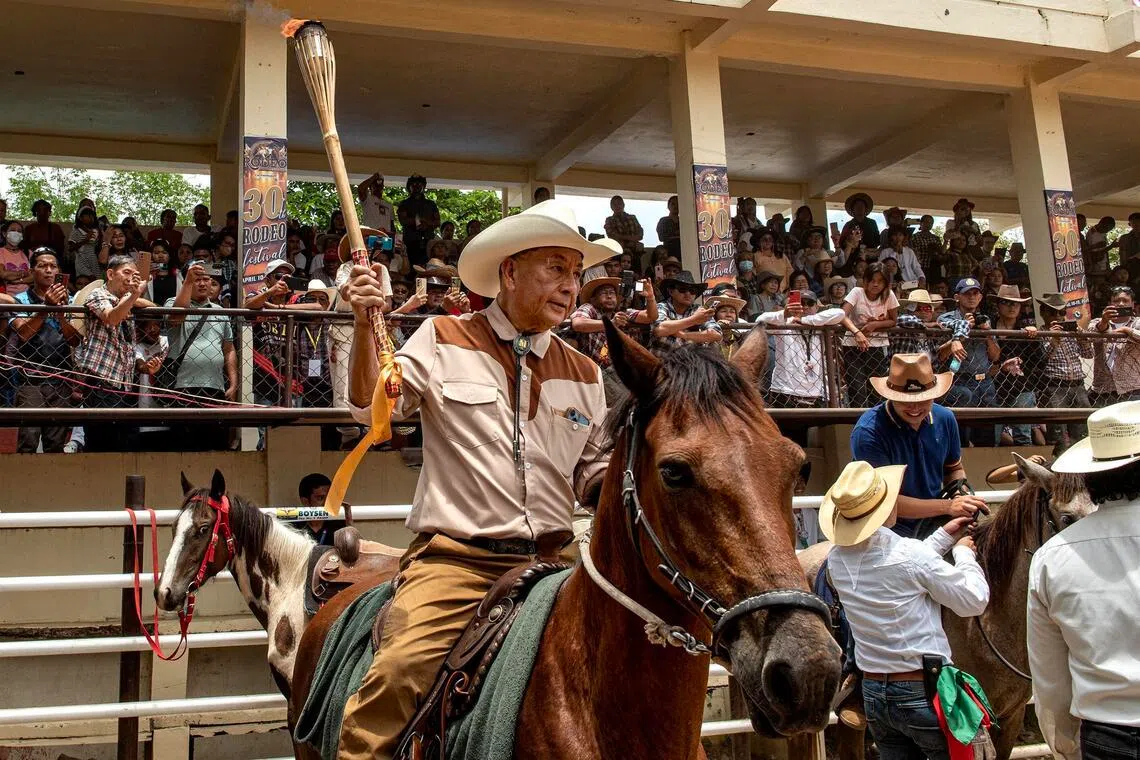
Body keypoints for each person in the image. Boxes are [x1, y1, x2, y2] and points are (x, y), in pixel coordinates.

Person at [337, 199, 613, 757]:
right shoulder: (443, 336)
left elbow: (595, 471)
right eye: (555, 267)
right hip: (458, 562)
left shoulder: (587, 371)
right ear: (509, 272)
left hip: (556, 560)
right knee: (397, 673)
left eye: (576, 272)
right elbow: (372, 411)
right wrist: (366, 325)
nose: (570, 285)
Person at [822, 460, 989, 760]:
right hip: (921, 691)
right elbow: (973, 600)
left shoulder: (836, 560)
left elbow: (900, 564)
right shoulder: (908, 556)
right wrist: (963, 552)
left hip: (874, 692)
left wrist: (945, 535)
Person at [1029, 403, 1140, 760]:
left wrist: (1064, 741)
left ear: (1089, 477)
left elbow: (1051, 679)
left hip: (1106, 735)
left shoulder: (1051, 559)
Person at [851, 352, 989, 540]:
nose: (915, 408)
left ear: (934, 395)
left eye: (922, 400)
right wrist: (948, 507)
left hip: (933, 524)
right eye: (906, 401)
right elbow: (883, 502)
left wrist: (959, 494)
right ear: (891, 396)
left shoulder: (946, 419)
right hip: (885, 532)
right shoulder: (868, 432)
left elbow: (954, 468)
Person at [78, 255, 151, 451]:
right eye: (126, 273)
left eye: (135, 275)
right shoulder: (97, 295)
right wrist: (135, 296)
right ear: (110, 274)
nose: (130, 279)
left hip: (125, 383)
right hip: (101, 382)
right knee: (101, 443)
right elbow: (111, 317)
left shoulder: (126, 301)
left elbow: (154, 307)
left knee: (127, 442)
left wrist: (135, 298)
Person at [10, 248, 80, 452]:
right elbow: (23, 333)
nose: (49, 270)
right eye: (42, 265)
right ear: (32, 271)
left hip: (61, 380)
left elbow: (74, 340)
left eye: (53, 266)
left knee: (56, 443)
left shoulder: (72, 300)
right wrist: (46, 306)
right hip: (29, 379)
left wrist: (60, 312)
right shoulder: (20, 299)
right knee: (28, 441)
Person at [164, 263, 236, 448]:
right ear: (187, 281)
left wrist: (234, 383)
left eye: (207, 279)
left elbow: (229, 349)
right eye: (197, 279)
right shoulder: (172, 302)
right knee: (184, 445)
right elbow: (176, 318)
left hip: (215, 386)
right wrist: (187, 282)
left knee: (215, 444)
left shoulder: (220, 311)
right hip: (183, 387)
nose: (203, 283)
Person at [755, 288, 863, 410]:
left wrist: (804, 320)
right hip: (786, 392)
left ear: (816, 307)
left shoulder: (819, 324)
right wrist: (784, 314)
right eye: (801, 303)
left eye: (810, 303)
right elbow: (760, 320)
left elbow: (840, 313)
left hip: (814, 395)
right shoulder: (785, 323)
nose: (805, 307)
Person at [569, 267, 656, 402]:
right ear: (593, 299)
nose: (609, 296)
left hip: (616, 371)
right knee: (625, 402)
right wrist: (610, 323)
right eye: (604, 293)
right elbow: (578, 324)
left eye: (612, 293)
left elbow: (650, 317)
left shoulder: (619, 313)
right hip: (593, 370)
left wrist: (650, 297)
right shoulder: (589, 308)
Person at [938, 277, 999, 447]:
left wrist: (987, 333)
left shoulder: (984, 318)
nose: (971, 297)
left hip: (985, 380)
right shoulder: (947, 318)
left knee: (987, 431)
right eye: (967, 294)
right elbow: (941, 355)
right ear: (957, 297)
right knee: (962, 431)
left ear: (980, 297)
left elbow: (995, 356)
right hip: (960, 378)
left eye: (975, 293)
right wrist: (964, 329)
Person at [1036, 293, 1093, 455]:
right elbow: (1042, 359)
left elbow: (1089, 354)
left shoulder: (1071, 332)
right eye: (1053, 312)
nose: (1058, 317)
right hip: (1055, 386)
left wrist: (1081, 336)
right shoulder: (1040, 333)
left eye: (1061, 313)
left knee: (1082, 430)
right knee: (1059, 433)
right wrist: (1054, 340)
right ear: (1043, 313)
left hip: (1078, 384)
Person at [990, 285, 1043, 446]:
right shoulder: (988, 326)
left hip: (1022, 386)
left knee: (1023, 435)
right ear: (998, 305)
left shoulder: (1026, 331)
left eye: (1016, 303)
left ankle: (1026, 468)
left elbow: (1039, 361)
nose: (1012, 307)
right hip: (993, 386)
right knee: (994, 436)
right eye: (1007, 303)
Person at [841, 263, 899, 409]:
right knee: (857, 388)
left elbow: (893, 320)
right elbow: (842, 315)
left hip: (877, 346)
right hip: (852, 345)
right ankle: (858, 422)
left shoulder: (889, 295)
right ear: (865, 280)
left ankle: (878, 424)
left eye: (880, 281)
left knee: (877, 390)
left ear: (886, 283)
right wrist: (857, 332)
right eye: (872, 280)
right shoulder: (856, 292)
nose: (875, 284)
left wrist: (875, 325)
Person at [1090, 286, 1140, 403]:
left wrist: (1128, 331)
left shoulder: (1137, 323)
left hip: (1132, 387)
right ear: (1109, 304)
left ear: (1133, 304)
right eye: (1116, 301)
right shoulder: (1097, 322)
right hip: (1103, 388)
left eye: (1125, 301)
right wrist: (1104, 321)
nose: (1121, 304)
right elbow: (1090, 335)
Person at [652, 270, 718, 350]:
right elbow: (659, 330)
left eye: (692, 291)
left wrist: (683, 335)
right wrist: (694, 320)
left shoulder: (698, 309)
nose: (688, 294)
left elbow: (716, 334)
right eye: (682, 289)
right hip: (662, 360)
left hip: (692, 360)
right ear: (671, 292)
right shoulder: (661, 307)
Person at [397, 175, 441, 270]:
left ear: (424, 186)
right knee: (411, 270)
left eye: (419, 184)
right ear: (409, 187)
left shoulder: (431, 204)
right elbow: (403, 221)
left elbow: (438, 222)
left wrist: (427, 223)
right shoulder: (404, 204)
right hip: (411, 242)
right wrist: (416, 220)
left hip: (428, 242)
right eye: (414, 184)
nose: (417, 186)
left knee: (429, 268)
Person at [297, 473, 346, 546]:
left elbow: (352, 550)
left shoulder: (338, 524)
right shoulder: (293, 528)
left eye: (329, 498)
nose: (327, 503)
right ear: (305, 501)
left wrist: (348, 516)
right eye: (320, 498)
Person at [23, 200, 67, 265]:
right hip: (33, 261)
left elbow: (60, 249)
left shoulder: (55, 228)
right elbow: (25, 248)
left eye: (45, 210)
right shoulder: (29, 228)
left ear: (49, 213)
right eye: (39, 210)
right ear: (35, 213)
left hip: (52, 261)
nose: (42, 213)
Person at [70, 206, 103, 279]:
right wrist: (85, 240)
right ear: (81, 218)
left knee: (96, 280)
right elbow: (70, 248)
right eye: (87, 215)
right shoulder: (76, 231)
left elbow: (99, 247)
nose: (90, 217)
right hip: (81, 260)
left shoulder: (96, 231)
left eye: (92, 215)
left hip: (93, 260)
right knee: (85, 280)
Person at [0, 220, 31, 296]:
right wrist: (26, 273)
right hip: (7, 297)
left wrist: (17, 281)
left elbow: (35, 276)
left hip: (29, 298)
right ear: (4, 234)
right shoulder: (1, 252)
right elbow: (3, 274)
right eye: (13, 230)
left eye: (19, 231)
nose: (16, 233)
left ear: (22, 236)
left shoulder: (28, 253)